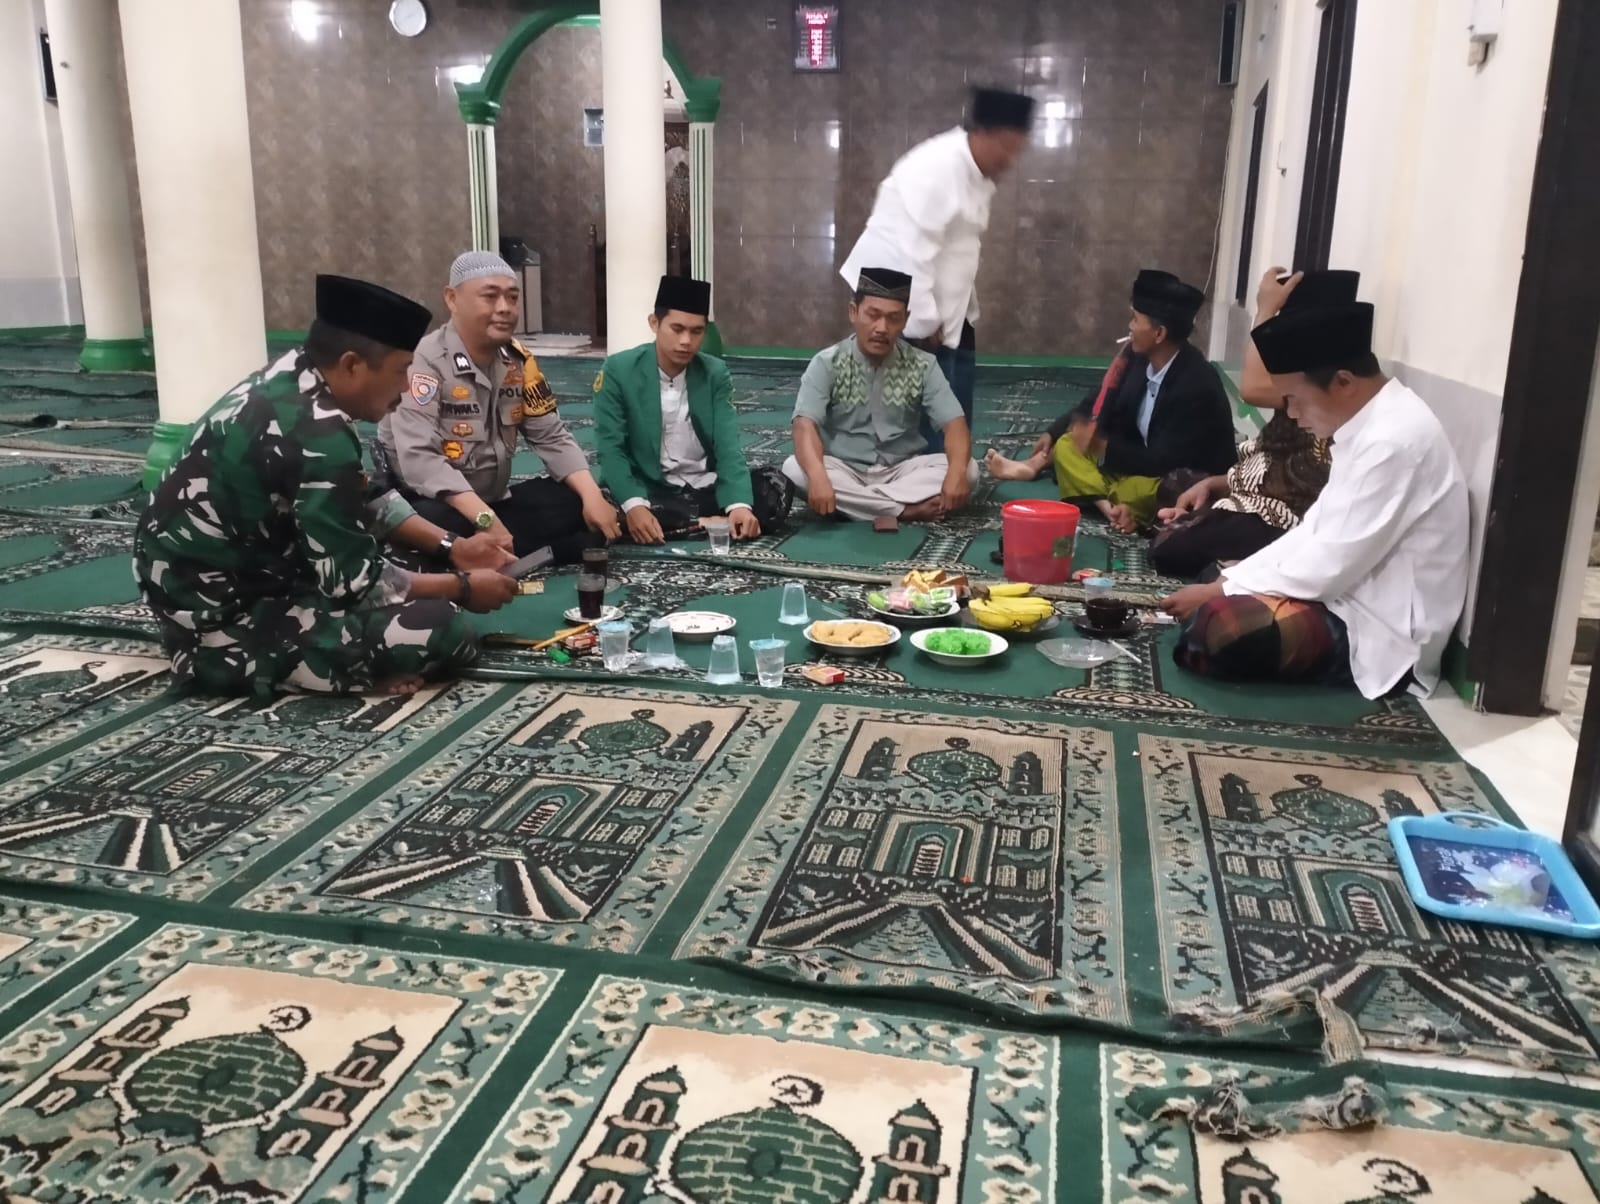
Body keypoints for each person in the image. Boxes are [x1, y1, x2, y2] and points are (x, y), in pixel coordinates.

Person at [134, 275, 519, 698]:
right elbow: (356, 583)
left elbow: (360, 496)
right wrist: (464, 587)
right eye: (400, 371)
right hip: (221, 619)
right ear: (352, 365)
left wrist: (452, 548)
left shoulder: (296, 374)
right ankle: (254, 666)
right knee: (443, 630)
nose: (407, 387)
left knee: (415, 567)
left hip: (240, 573)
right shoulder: (319, 433)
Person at [1161, 301, 1469, 699]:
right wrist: (1230, 581)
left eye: (1295, 399)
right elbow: (1314, 532)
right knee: (1218, 574)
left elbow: (1330, 564)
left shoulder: (1393, 442)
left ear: (1343, 382)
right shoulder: (1370, 425)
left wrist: (1222, 592)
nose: (1292, 413)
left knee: (1217, 629)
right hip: (1345, 594)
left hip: (1379, 631)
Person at [378, 250, 621, 565]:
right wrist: (485, 520)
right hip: (434, 503)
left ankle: (495, 552)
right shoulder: (422, 362)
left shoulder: (518, 360)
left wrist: (591, 496)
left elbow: (551, 436)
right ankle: (525, 550)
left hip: (494, 503)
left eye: (512, 297)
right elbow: (420, 461)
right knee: (434, 526)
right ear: (452, 298)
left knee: (573, 499)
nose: (505, 308)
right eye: (490, 297)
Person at [839, 86, 1035, 451]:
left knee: (952, 406)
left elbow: (961, 244)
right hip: (899, 297)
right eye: (1007, 147)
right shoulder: (936, 167)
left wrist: (963, 310)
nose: (1010, 160)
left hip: (942, 305)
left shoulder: (977, 173)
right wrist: (924, 320)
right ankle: (917, 472)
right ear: (983, 133)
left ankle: (947, 467)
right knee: (916, 411)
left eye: (1017, 151)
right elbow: (913, 250)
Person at [1147, 267, 1357, 578]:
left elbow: (1252, 389)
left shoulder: (1325, 382)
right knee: (1177, 484)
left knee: (1169, 547)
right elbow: (1266, 460)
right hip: (1253, 493)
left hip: (1281, 517)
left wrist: (1265, 310)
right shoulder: (1302, 377)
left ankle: (1224, 557)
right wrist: (1212, 485)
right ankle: (1213, 538)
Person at [991, 270, 1236, 534]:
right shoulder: (1136, 358)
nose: (1129, 326)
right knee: (1067, 446)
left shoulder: (1195, 384)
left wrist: (1100, 446)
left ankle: (1103, 498)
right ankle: (1110, 507)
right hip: (1137, 461)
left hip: (1178, 479)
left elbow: (1162, 462)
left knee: (1141, 490)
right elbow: (1097, 401)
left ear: (1159, 333)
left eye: (1135, 319)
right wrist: (1055, 431)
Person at [592, 275, 793, 545]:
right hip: (649, 488)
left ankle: (688, 524)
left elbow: (727, 445)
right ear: (654, 323)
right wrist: (634, 505)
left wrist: (738, 505)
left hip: (704, 486)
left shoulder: (714, 373)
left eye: (696, 331)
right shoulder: (619, 370)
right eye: (677, 329)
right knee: (602, 506)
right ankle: (703, 523)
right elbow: (610, 449)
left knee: (774, 486)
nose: (686, 341)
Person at [783, 268, 977, 522]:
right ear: (853, 312)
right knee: (794, 470)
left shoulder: (923, 365)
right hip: (844, 467)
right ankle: (905, 510)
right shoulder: (827, 363)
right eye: (873, 315)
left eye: (893, 318)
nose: (882, 328)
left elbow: (954, 424)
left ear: (906, 320)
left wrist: (956, 473)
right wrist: (818, 476)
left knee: (969, 470)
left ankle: (860, 505)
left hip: (902, 471)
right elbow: (804, 425)